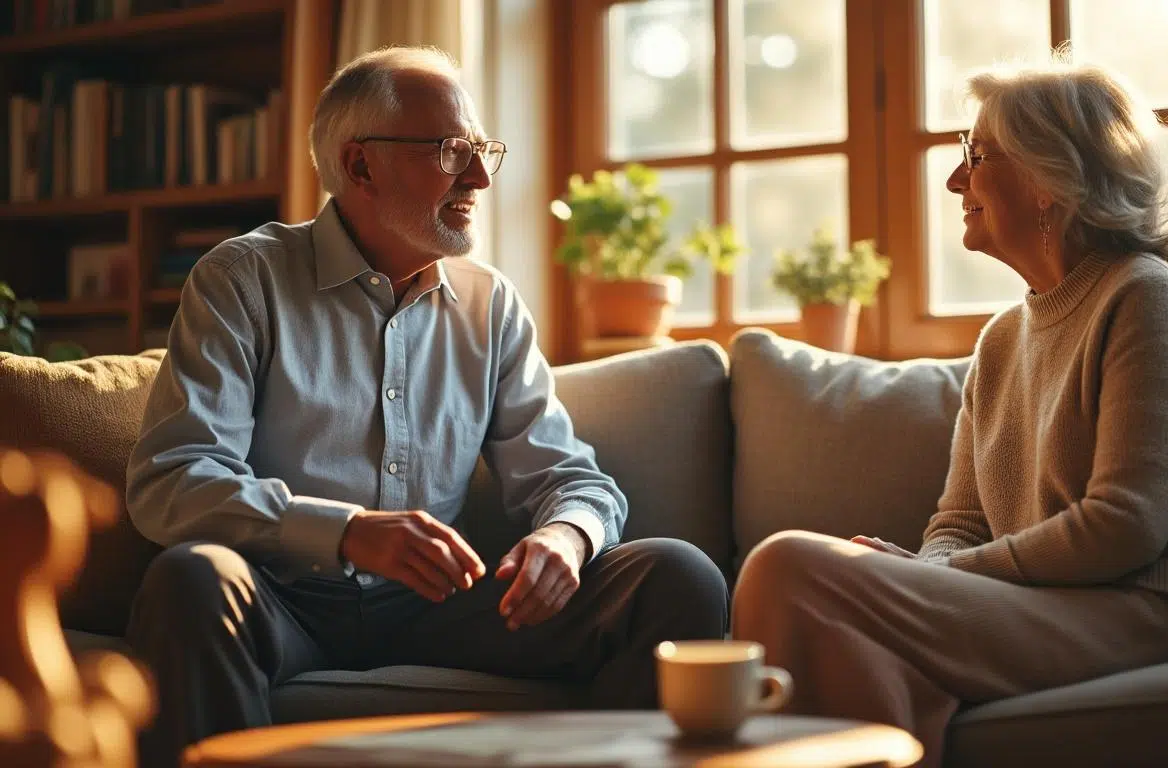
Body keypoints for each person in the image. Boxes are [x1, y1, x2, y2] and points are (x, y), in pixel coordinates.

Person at [124, 45, 728, 767]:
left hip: (445, 607)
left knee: (677, 575)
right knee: (189, 580)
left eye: (480, 150)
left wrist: (566, 538)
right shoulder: (243, 279)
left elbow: (573, 480)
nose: (477, 176)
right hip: (282, 599)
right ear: (360, 166)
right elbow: (172, 478)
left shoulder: (491, 303)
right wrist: (346, 532)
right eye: (450, 150)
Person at [730, 58, 1168, 766]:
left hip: (1144, 609)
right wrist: (930, 566)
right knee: (812, 593)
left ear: (1049, 179)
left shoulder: (1146, 299)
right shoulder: (1004, 336)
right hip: (1045, 603)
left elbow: (1124, 528)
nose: (955, 180)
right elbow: (959, 521)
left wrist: (937, 577)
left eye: (975, 156)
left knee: (789, 567)